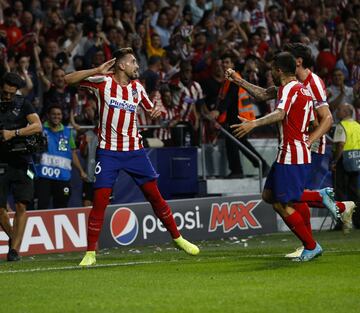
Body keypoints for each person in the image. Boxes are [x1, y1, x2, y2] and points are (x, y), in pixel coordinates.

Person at [64, 47, 199, 266]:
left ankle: (178, 238)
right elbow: (67, 79)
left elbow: (152, 108)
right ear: (122, 65)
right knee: (99, 202)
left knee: (155, 197)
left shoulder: (137, 88)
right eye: (134, 62)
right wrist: (96, 69)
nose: (138, 66)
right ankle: (90, 253)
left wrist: (157, 111)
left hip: (135, 151)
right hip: (108, 153)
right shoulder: (103, 82)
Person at [227, 43, 355, 258]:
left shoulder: (298, 86)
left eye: (272, 70)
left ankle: (311, 243)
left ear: (281, 69)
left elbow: (285, 114)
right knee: (270, 196)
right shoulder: (298, 88)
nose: (270, 74)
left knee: (285, 200)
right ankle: (319, 206)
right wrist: (238, 80)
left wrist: (254, 124)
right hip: (289, 150)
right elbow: (268, 97)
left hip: (295, 152)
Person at [0, 72, 42, 261]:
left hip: (23, 161)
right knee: (0, 209)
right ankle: (13, 239)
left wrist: (14, 133)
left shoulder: (23, 103)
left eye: (11, 93)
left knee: (21, 205)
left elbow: (37, 126)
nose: (8, 96)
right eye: (5, 92)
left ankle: (15, 251)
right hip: (1, 160)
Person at [216, 53, 269, 178]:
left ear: (232, 65)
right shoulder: (227, 80)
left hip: (239, 117)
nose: (225, 65)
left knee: (236, 142)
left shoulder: (235, 78)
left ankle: (240, 170)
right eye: (223, 63)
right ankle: (258, 166)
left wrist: (218, 111)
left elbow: (230, 98)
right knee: (238, 142)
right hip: (235, 116)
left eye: (227, 62)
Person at [34, 104, 87, 210]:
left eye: (59, 114)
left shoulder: (68, 132)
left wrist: (81, 171)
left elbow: (72, 153)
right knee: (42, 206)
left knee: (61, 207)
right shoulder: (40, 130)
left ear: (62, 116)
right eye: (53, 114)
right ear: (48, 115)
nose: (56, 116)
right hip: (44, 177)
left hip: (63, 177)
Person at [331, 103, 360, 230]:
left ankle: (343, 223)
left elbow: (341, 145)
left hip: (343, 162)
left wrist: (335, 161)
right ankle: (358, 221)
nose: (337, 112)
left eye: (339, 110)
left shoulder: (341, 125)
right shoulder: (357, 125)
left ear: (345, 112)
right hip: (357, 160)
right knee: (355, 193)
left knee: (340, 193)